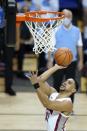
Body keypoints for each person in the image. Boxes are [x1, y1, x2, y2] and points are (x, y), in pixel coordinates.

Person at [47, 9, 83, 103]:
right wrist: (50, 60)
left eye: (68, 16)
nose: (66, 18)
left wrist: (81, 61)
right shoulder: (55, 29)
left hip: (72, 61)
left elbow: (79, 46)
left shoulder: (77, 30)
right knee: (57, 83)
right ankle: (54, 104)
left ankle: (69, 106)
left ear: (71, 18)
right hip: (58, 62)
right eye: (64, 16)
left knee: (70, 86)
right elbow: (51, 46)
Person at [27, 64, 77, 131]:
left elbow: (47, 104)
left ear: (73, 90)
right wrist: (56, 67)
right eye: (65, 81)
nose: (65, 83)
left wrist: (36, 85)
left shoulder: (68, 103)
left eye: (69, 83)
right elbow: (40, 80)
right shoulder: (53, 93)